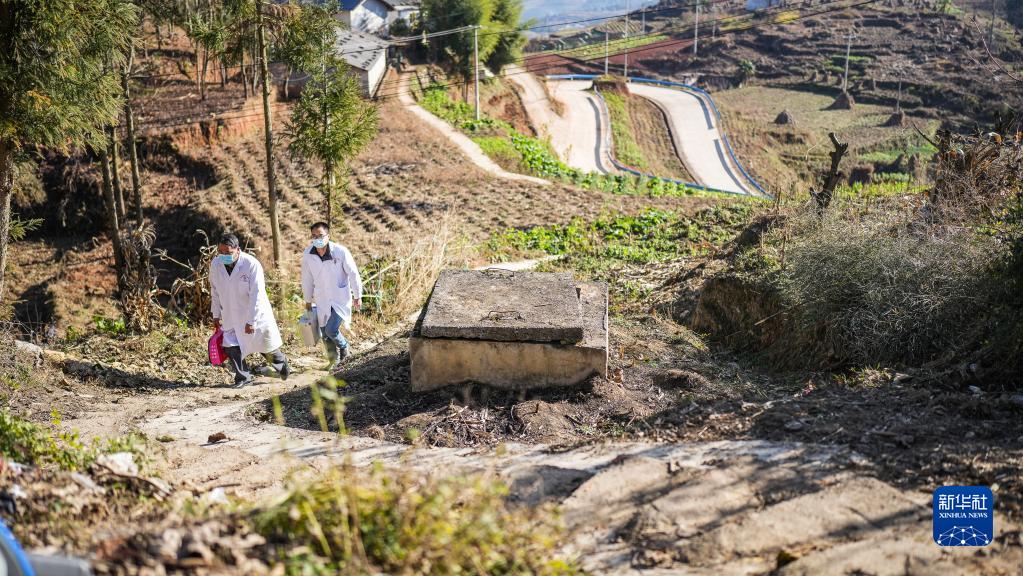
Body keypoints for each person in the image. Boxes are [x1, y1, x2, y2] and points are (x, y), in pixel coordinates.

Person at [209, 233, 290, 387]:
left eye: (228, 252)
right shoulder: (216, 264)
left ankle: (282, 364)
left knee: (264, 346)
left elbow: (257, 295)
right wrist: (216, 314)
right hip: (230, 314)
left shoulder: (251, 264)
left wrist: (251, 321)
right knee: (230, 346)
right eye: (221, 252)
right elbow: (215, 291)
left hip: (253, 313)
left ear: (237, 250)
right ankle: (243, 377)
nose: (224, 256)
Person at [301, 221, 363, 371]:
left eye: (320, 235)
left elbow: (353, 273)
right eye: (314, 236)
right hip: (321, 298)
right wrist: (307, 300)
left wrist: (357, 295)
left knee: (331, 329)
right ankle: (333, 360)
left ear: (328, 236)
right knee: (324, 333)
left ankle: (344, 346)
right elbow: (307, 279)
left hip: (340, 298)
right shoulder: (308, 254)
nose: (317, 239)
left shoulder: (340, 252)